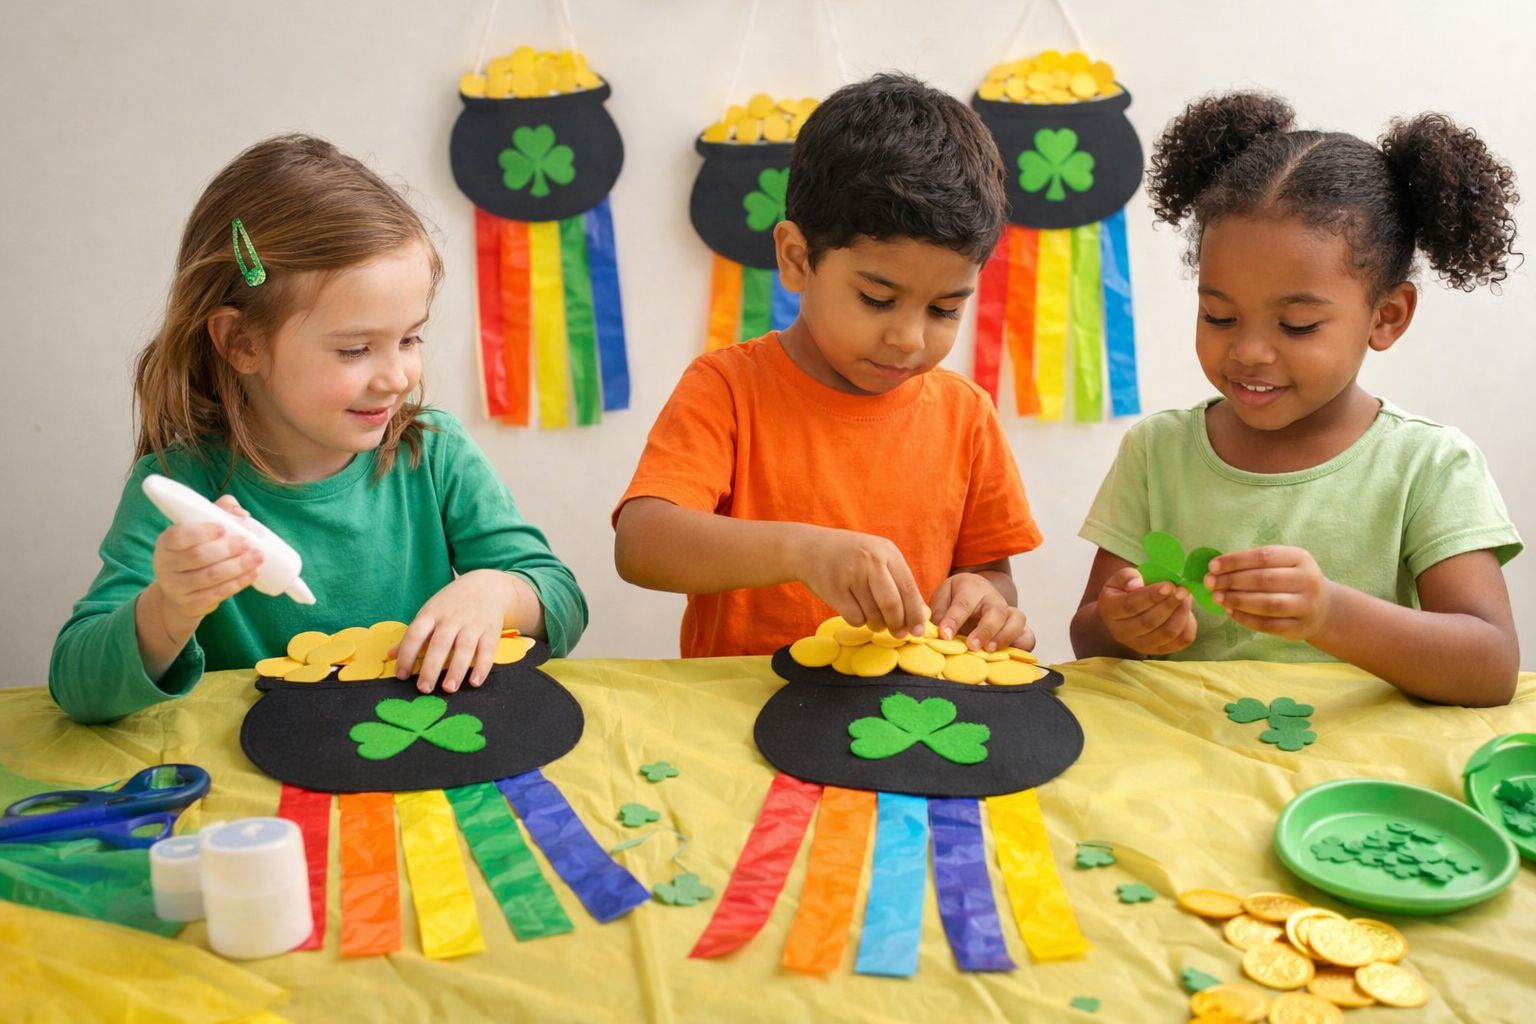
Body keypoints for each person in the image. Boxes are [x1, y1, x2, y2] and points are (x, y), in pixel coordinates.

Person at [50, 135, 586, 723]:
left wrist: (495, 593)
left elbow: (561, 597)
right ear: (242, 343)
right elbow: (78, 689)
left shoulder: (432, 452)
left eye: (410, 338)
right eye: (355, 349)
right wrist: (169, 608)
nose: (398, 377)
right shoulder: (181, 489)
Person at [1070, 92, 1522, 706]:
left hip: (1359, 758)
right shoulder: (1158, 451)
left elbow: (1490, 669)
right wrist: (1124, 625)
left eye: (1298, 326)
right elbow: (1090, 641)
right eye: (1219, 315)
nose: (1249, 352)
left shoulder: (1431, 465)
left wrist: (1331, 614)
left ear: (1386, 316)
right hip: (1191, 748)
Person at [614, 73, 1042, 659]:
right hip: (745, 702)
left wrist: (984, 598)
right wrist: (803, 551)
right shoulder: (728, 388)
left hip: (909, 702)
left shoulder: (966, 413)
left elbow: (992, 575)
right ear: (797, 258)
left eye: (945, 309)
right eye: (877, 299)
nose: (908, 339)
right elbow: (642, 544)